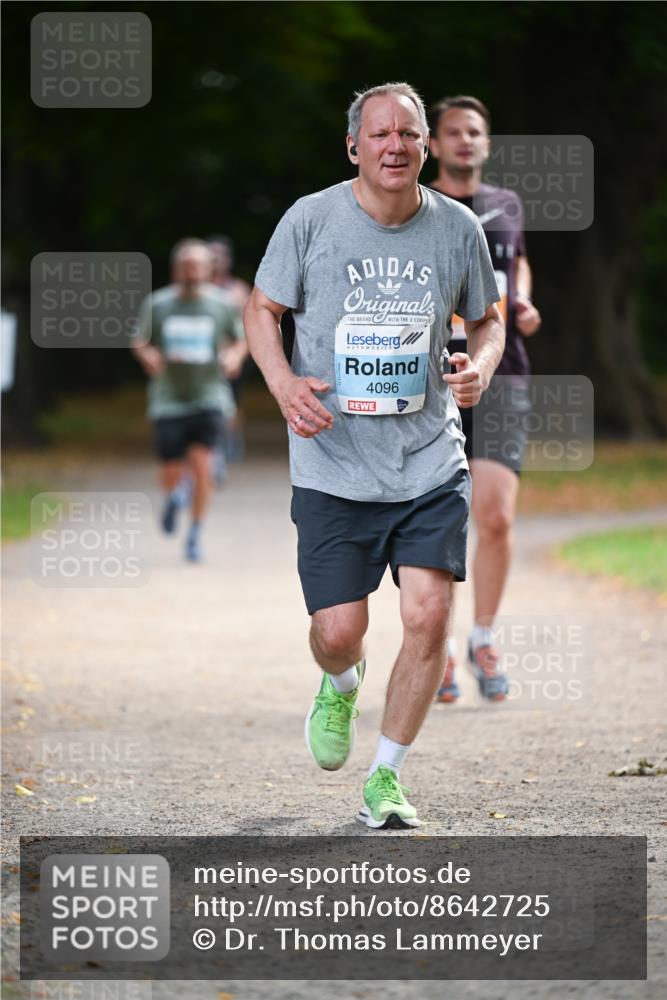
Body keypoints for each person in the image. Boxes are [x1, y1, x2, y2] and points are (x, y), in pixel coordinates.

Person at [244, 82, 504, 829]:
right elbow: (262, 308)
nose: (395, 145)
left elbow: (486, 321)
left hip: (428, 459)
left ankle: (385, 778)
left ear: (425, 147)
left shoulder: (456, 227)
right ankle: (340, 680)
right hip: (332, 462)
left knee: (427, 615)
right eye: (380, 133)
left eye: (409, 134)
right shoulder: (311, 220)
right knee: (337, 632)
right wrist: (283, 379)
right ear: (354, 146)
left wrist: (480, 368)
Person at [428, 96, 542, 704]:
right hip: (433, 379)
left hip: (505, 373)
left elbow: (515, 264)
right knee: (441, 517)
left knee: (495, 515)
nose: (465, 141)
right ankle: (438, 647)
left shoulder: (506, 205)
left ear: (486, 143)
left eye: (475, 131)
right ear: (435, 145)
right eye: (454, 133)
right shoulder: (422, 209)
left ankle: (483, 636)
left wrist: (520, 301)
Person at [131, 238, 246, 561]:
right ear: (176, 270)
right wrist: (148, 355)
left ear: (209, 270)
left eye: (198, 266)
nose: (192, 272)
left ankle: (195, 532)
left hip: (209, 395)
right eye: (186, 267)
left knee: (203, 465)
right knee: (170, 468)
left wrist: (235, 358)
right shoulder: (159, 304)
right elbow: (139, 339)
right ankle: (174, 495)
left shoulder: (221, 304)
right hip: (169, 398)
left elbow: (241, 339)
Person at [208, 235, 252, 467]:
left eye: (220, 255)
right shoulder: (196, 288)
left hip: (230, 356)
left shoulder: (238, 290)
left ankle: (230, 439)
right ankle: (211, 445)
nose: (215, 260)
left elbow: (248, 325)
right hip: (201, 358)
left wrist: (237, 353)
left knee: (232, 402)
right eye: (211, 255)